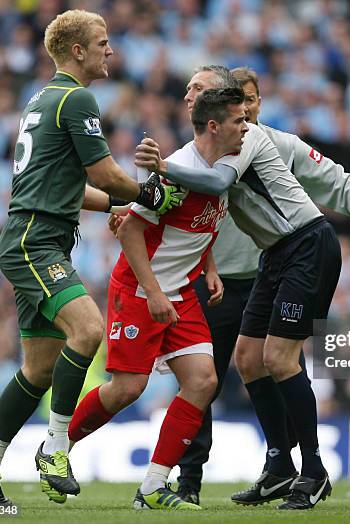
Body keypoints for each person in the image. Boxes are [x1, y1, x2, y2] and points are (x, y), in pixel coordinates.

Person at [147, 65, 350, 510]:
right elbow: (184, 211)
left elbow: (329, 181)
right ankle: (275, 468)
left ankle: (314, 471)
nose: (189, 97)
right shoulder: (199, 152)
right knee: (241, 362)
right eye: (188, 91)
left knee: (279, 358)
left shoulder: (251, 140)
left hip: (305, 247)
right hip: (267, 262)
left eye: (199, 90)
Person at [0, 9, 178, 506]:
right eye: (102, 42)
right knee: (89, 330)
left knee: (38, 368)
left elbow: (73, 188)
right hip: (36, 239)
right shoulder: (78, 98)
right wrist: (151, 194)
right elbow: (104, 174)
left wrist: (124, 203)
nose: (110, 50)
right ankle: (55, 446)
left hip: (35, 235)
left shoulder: (42, 98)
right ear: (77, 51)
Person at [66, 87, 248, 511]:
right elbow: (129, 229)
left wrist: (210, 267)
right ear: (216, 127)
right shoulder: (177, 169)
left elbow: (201, 225)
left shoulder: (225, 163)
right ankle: (58, 443)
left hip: (180, 291)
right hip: (139, 288)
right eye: (239, 121)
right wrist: (150, 292)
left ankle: (153, 485)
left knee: (203, 381)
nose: (246, 127)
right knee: (128, 389)